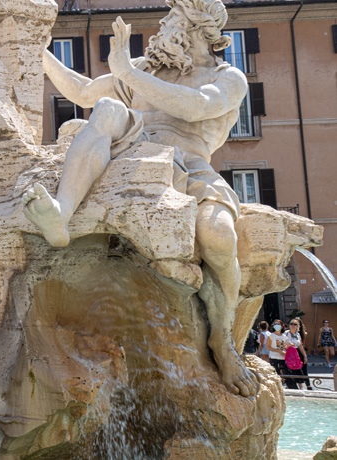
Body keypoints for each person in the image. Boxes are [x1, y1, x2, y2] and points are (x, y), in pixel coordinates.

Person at [21, 0, 253, 396]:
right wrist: (33, 48)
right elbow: (81, 91)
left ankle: (222, 338)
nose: (162, 24)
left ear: (197, 26)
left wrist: (127, 71)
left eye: (172, 17)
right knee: (109, 108)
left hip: (191, 163)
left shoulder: (227, 77)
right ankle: (60, 213)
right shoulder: (145, 71)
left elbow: (197, 106)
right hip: (139, 146)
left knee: (218, 237)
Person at [286, 320, 310, 390]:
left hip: (296, 353)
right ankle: (288, 387)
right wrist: (288, 345)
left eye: (295, 324)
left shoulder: (297, 335)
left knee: (299, 370)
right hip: (289, 353)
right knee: (290, 371)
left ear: (297, 326)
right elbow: (282, 345)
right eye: (291, 324)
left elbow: (300, 346)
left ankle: (301, 388)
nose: (293, 325)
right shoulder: (286, 334)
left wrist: (305, 356)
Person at [265, 320, 289, 384]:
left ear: (281, 326)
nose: (277, 326)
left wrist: (288, 347)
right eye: (275, 324)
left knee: (284, 374)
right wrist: (278, 351)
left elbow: (283, 346)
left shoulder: (284, 337)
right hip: (274, 357)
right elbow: (267, 347)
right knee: (276, 374)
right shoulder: (271, 336)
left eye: (278, 324)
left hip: (282, 358)